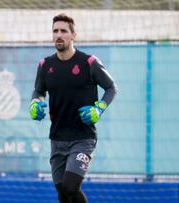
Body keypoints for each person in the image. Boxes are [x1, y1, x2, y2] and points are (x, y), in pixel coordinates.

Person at [30, 13, 117, 203]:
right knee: (63, 193)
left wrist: (99, 109)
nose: (58, 35)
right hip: (57, 138)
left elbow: (111, 88)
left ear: (73, 35)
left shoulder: (89, 63)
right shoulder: (45, 65)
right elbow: (38, 91)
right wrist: (35, 102)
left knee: (70, 187)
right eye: (55, 31)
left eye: (63, 31)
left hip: (83, 138)